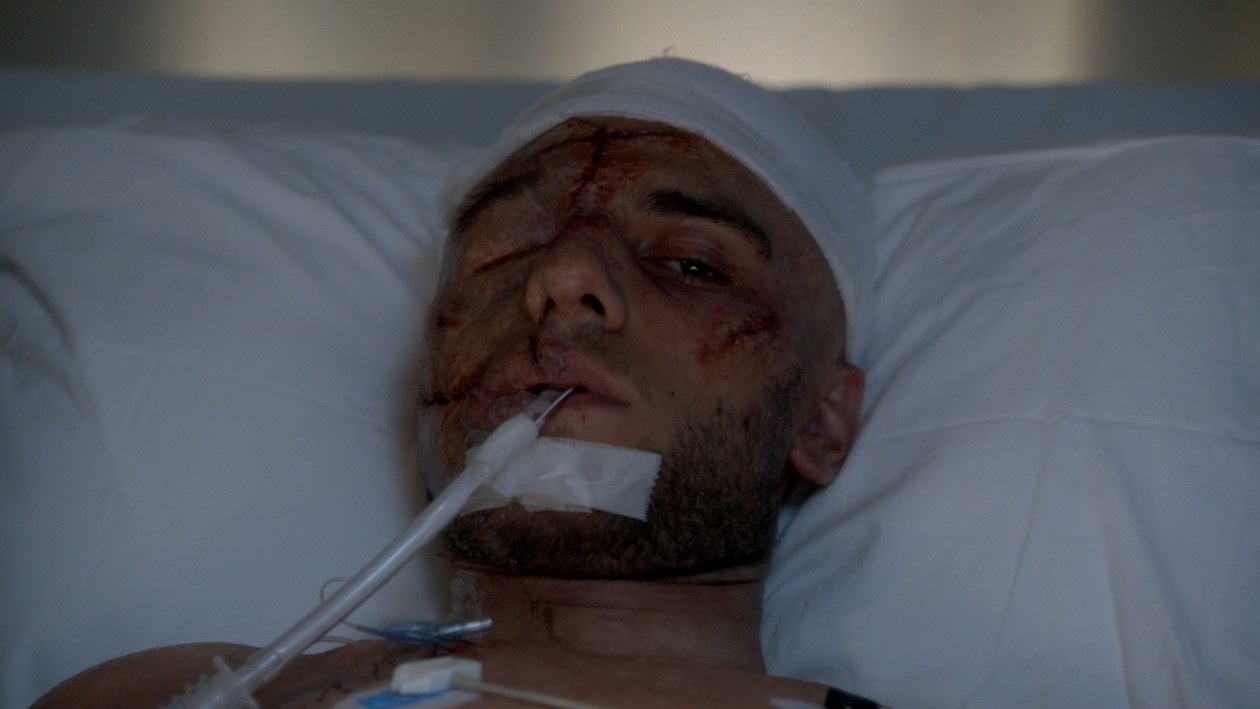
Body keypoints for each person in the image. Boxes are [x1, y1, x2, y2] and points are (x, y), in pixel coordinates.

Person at [34, 58, 876, 709]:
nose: (563, 277)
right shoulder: (174, 693)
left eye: (691, 262)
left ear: (823, 424)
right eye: (506, 249)